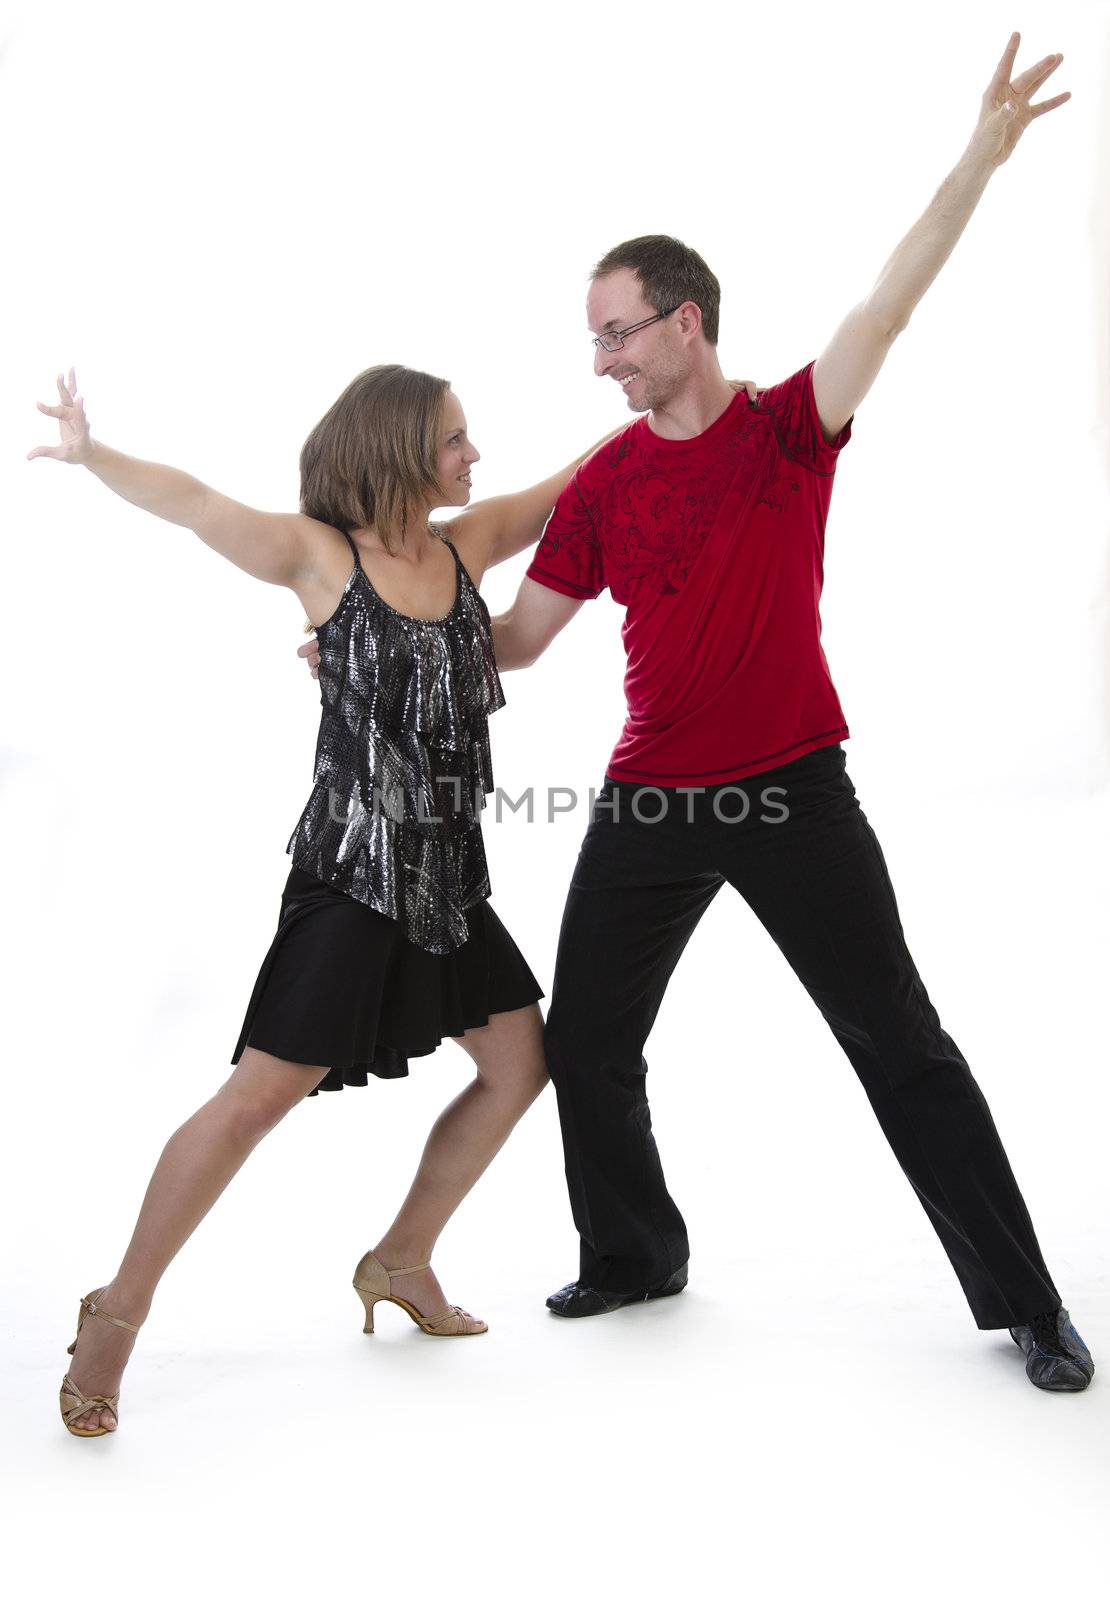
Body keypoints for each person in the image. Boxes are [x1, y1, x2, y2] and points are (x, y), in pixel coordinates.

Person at [309, 37, 1095, 1393]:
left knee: (899, 1045)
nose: (601, 359)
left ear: (682, 320)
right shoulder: (607, 483)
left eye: (616, 331)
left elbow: (886, 307)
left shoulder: (791, 428)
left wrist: (976, 157)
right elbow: (521, 641)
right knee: (592, 1045)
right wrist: (375, 653)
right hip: (653, 799)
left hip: (793, 788)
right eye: (593, 337)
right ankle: (634, 1256)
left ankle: (1024, 1299)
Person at [29, 359, 648, 1436]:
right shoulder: (322, 557)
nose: (472, 456)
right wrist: (94, 455)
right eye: (456, 439)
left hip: (447, 877)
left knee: (517, 1065)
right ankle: (115, 1313)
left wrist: (667, 408)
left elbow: (567, 483)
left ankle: (400, 1257)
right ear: (402, 449)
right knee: (256, 1101)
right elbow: (198, 506)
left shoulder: (466, 542)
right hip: (355, 880)